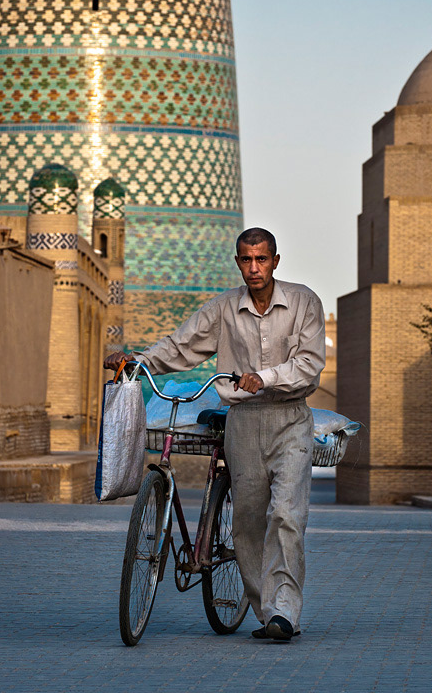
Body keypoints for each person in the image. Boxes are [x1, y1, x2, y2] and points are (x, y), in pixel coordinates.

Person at [103, 226, 325, 642]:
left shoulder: (303, 302)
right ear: (238, 262)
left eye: (261, 259)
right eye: (246, 259)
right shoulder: (224, 307)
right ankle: (265, 612)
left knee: (286, 516)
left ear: (275, 261)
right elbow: (182, 345)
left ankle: (285, 614)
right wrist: (140, 360)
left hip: (289, 418)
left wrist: (266, 377)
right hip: (242, 422)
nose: (254, 268)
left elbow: (310, 364)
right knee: (246, 525)